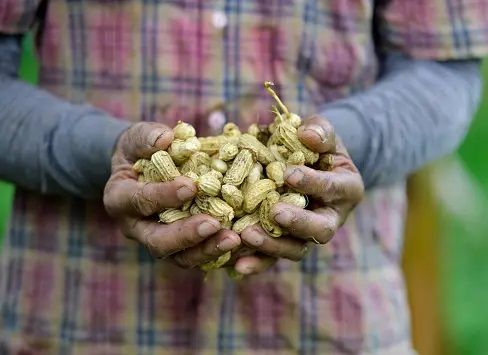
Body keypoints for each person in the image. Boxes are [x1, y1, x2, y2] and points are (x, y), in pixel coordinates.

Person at [0, 1, 485, 353]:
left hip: (332, 322)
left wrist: (338, 146)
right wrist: (100, 152)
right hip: (77, 316)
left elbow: (442, 72)